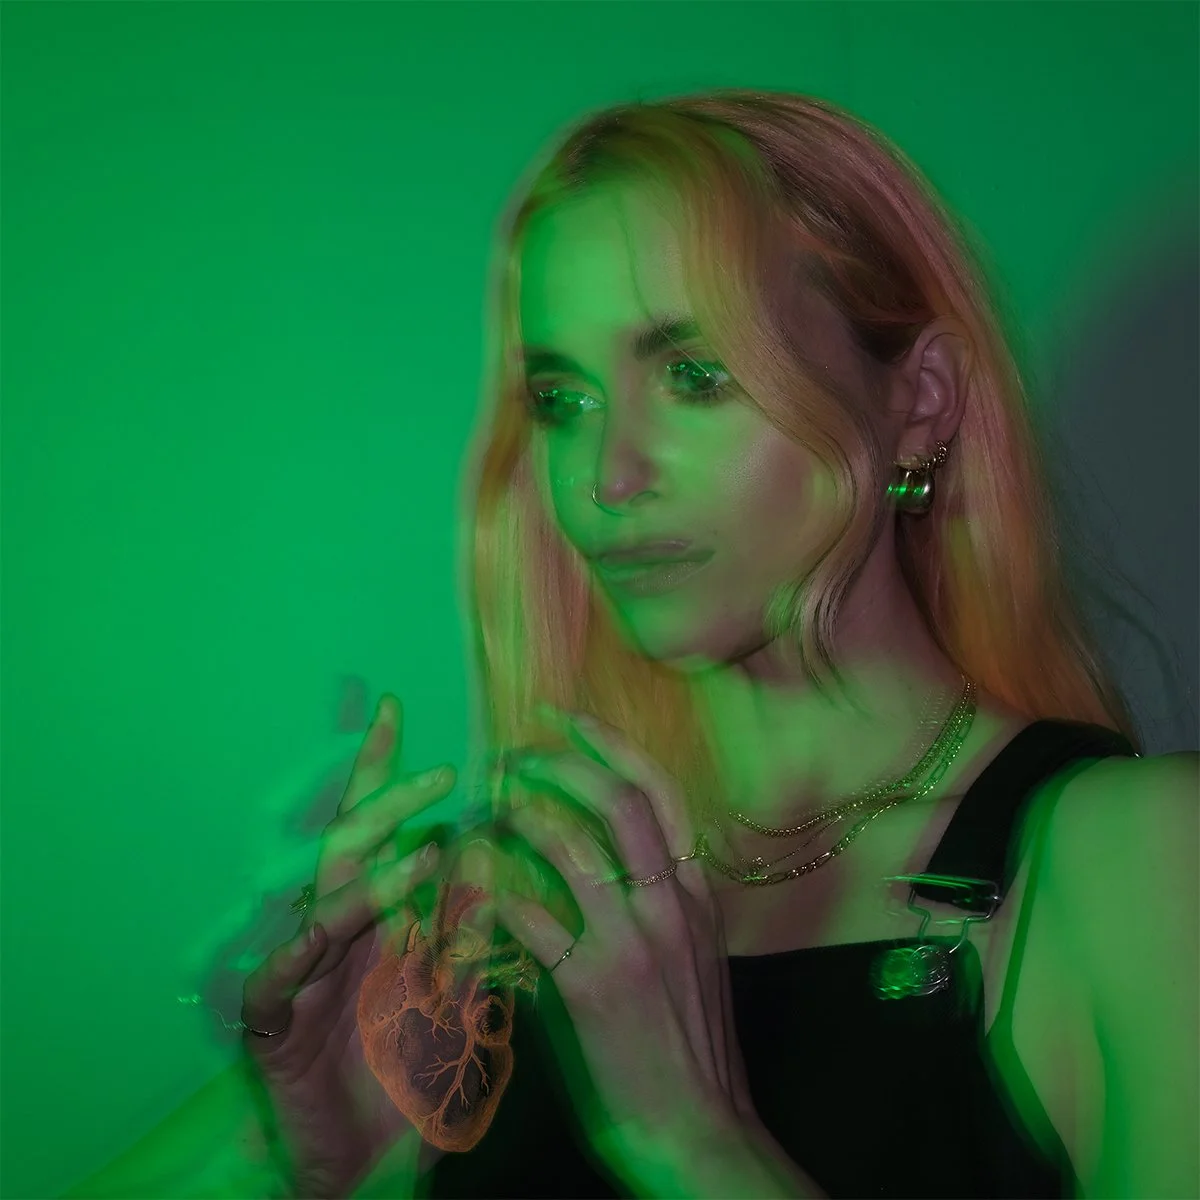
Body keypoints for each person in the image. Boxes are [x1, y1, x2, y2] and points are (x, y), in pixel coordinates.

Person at [65, 88, 1197, 1200]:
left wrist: (692, 1143)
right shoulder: (527, 897)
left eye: (694, 377)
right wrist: (282, 1153)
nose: (605, 478)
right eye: (561, 400)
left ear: (921, 400)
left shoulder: (1132, 860)